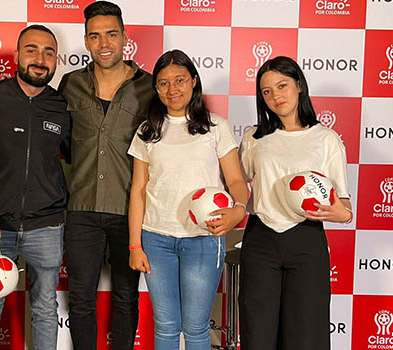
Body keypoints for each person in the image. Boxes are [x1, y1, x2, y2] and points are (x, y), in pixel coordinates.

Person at [127, 50, 248, 349]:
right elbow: (138, 190)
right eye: (163, 83)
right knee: (166, 328)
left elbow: (236, 181)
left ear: (194, 81)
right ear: (156, 89)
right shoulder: (147, 131)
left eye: (180, 80)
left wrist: (238, 210)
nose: (173, 89)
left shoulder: (216, 127)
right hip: (156, 239)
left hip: (204, 240)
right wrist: (134, 245)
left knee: (195, 329)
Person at [238, 56, 353, 350]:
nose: (276, 96)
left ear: (299, 85)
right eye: (266, 91)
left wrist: (341, 213)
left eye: (282, 85)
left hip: (306, 241)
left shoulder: (326, 139)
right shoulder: (254, 138)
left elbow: (343, 205)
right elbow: (237, 187)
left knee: (306, 336)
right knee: (257, 336)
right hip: (261, 239)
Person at [57, 1, 152, 348]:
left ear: (125, 37)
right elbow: (59, 143)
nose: (104, 43)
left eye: (111, 34)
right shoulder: (70, 85)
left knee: (126, 297)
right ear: (86, 40)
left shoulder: (150, 87)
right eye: (95, 36)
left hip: (130, 209)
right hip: (81, 208)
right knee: (81, 299)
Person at [0, 25, 70, 350]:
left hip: (47, 226)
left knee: (44, 308)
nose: (40, 59)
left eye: (49, 52)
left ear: (56, 60)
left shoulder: (63, 106)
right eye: (32, 50)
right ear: (17, 56)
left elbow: (76, 159)